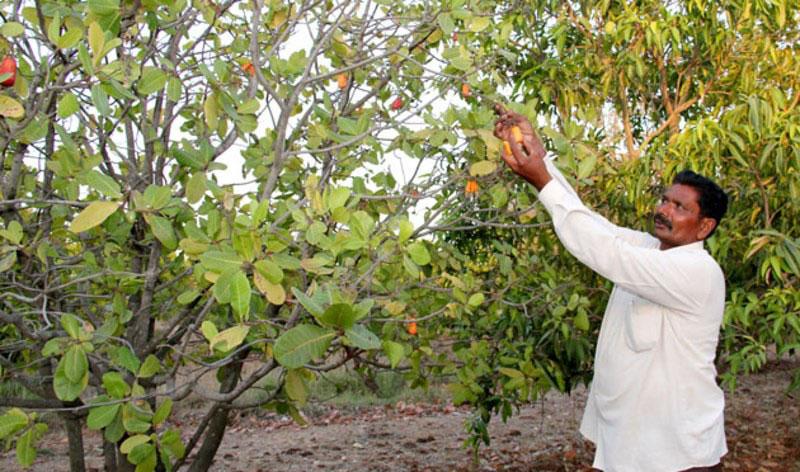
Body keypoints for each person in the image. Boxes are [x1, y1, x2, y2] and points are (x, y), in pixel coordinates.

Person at [494, 106, 729, 472]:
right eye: (665, 199)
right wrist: (539, 159)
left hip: (676, 448)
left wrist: (541, 180)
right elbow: (591, 223)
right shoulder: (650, 248)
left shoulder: (697, 272)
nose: (664, 210)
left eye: (680, 207)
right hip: (632, 436)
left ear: (704, 227)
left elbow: (603, 251)